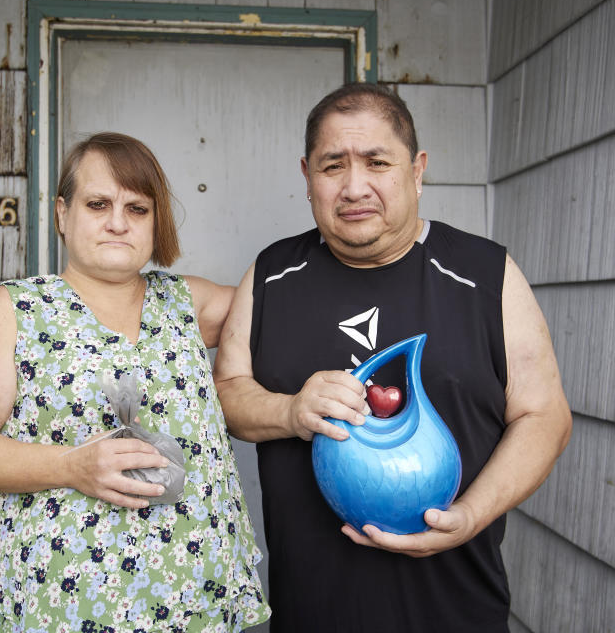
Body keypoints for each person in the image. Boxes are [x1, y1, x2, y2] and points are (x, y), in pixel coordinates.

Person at [213, 83, 571, 632]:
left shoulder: (485, 273)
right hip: (313, 610)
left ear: (417, 169)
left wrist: (469, 516)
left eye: (377, 162)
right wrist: (290, 411)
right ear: (307, 174)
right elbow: (228, 392)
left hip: (455, 609)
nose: (355, 186)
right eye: (333, 166)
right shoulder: (273, 274)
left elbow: (544, 416)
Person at [0, 132, 271, 633]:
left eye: (138, 208)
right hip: (66, 603)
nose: (118, 222)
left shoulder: (187, 305)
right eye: (97, 204)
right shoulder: (15, 312)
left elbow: (285, 301)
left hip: (196, 600)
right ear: (62, 213)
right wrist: (71, 465)